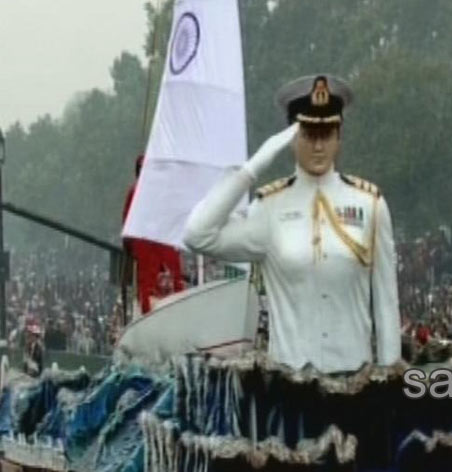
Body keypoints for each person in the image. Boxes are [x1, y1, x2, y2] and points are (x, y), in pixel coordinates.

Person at [184, 74, 401, 373]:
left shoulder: (370, 204)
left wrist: (390, 378)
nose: (318, 146)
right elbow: (198, 235)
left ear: (339, 136)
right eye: (308, 134)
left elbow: (387, 305)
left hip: (356, 384)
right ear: (290, 138)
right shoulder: (269, 208)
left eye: (326, 134)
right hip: (290, 387)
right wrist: (253, 167)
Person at [123, 155, 186, 314]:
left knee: (158, 281)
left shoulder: (140, 192)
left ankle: (156, 309)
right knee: (157, 281)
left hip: (157, 243)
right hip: (151, 244)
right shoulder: (141, 192)